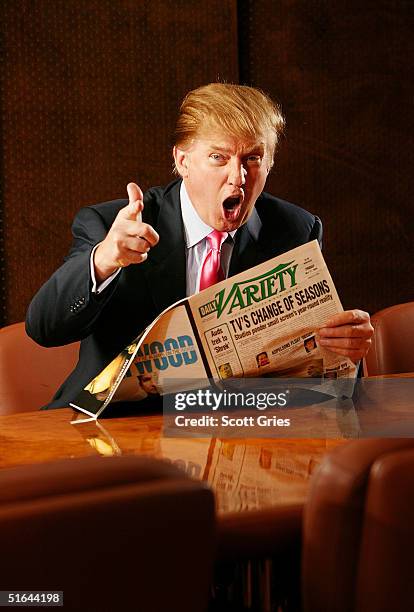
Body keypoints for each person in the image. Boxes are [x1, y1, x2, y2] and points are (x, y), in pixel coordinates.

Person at [26, 83, 373, 408]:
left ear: (269, 163)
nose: (238, 177)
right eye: (218, 158)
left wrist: (345, 353)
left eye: (252, 158)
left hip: (234, 430)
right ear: (182, 161)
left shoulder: (295, 230)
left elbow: (319, 379)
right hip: (118, 425)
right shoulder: (112, 226)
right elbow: (44, 329)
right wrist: (104, 259)